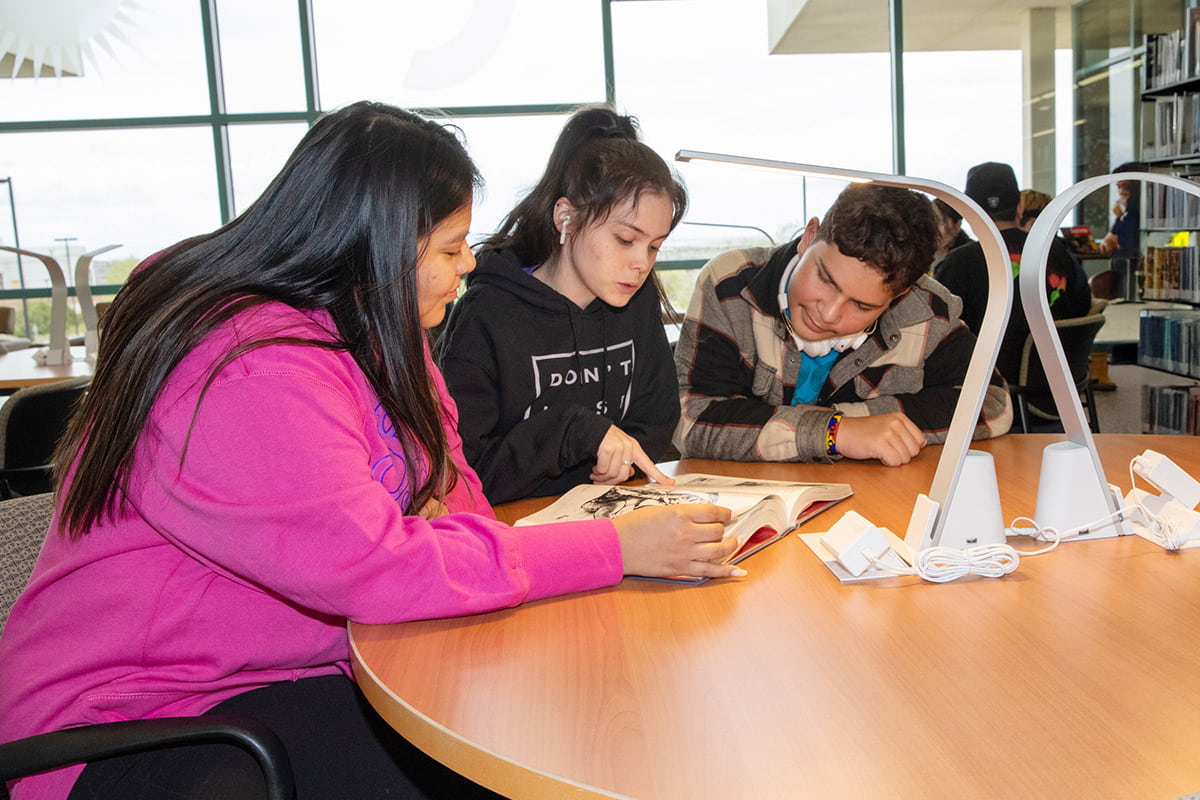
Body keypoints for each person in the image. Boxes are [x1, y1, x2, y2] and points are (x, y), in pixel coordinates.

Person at [0, 102, 744, 800]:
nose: (468, 266)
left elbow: (459, 503)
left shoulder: (383, 333)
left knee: (535, 727)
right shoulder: (245, 365)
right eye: (451, 247)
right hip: (133, 722)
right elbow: (375, 566)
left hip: (300, 670)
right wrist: (610, 549)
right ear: (377, 246)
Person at [437, 105, 686, 505]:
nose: (642, 263)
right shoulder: (489, 315)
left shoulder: (636, 302)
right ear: (566, 217)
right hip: (512, 530)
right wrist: (572, 435)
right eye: (625, 239)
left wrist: (621, 461)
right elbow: (463, 474)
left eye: (654, 246)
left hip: (616, 513)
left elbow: (656, 422)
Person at [674, 182, 1012, 467]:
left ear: (902, 294)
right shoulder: (728, 284)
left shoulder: (928, 309)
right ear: (808, 237)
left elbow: (993, 404)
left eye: (862, 305)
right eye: (825, 278)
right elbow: (691, 420)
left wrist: (851, 423)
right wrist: (836, 431)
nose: (830, 313)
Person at [934, 161, 1092, 385]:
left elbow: (937, 329)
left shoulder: (959, 263)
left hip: (993, 388)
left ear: (969, 212)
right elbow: (1082, 306)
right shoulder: (1056, 250)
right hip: (1063, 382)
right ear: (1019, 207)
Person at [1098, 162, 1145, 254]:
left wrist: (1121, 217)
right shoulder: (1127, 209)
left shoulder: (1136, 207)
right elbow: (1110, 240)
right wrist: (1120, 217)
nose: (1121, 192)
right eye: (1119, 186)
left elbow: (1128, 240)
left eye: (1126, 186)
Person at [931, 197, 973, 265]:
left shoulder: (971, 256)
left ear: (958, 225)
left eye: (942, 222)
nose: (942, 231)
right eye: (935, 223)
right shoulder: (918, 251)